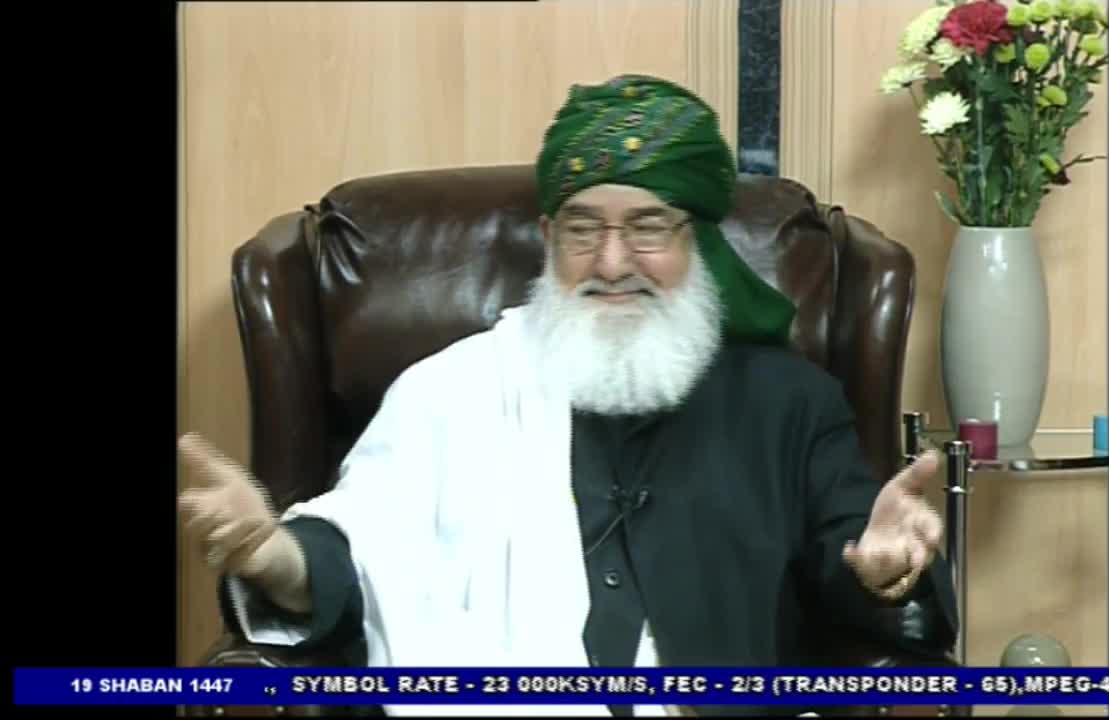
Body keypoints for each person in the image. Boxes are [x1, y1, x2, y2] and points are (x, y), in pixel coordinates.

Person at [178, 74, 957, 717]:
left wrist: (886, 570)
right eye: (583, 230)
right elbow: (355, 550)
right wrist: (271, 554)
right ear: (550, 238)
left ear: (698, 240)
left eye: (647, 228)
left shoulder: (789, 403)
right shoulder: (452, 391)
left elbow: (858, 559)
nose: (611, 263)